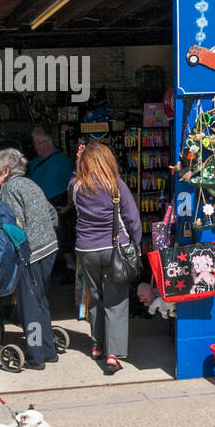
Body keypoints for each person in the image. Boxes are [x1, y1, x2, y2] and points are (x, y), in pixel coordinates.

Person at [69, 141, 142, 373]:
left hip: (86, 250)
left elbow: (73, 182)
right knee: (117, 301)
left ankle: (97, 345)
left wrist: (78, 163)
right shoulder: (115, 185)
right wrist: (136, 244)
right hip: (114, 248)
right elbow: (132, 218)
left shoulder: (76, 186)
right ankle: (112, 354)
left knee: (96, 296)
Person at [0, 148, 59, 370]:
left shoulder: (9, 189)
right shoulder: (31, 184)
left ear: (6, 171)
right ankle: (49, 350)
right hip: (49, 248)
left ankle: (36, 356)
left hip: (32, 253)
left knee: (29, 306)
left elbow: (14, 226)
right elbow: (52, 214)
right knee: (40, 300)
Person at [28, 127, 74, 276]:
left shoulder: (62, 161)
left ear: (48, 143)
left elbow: (72, 185)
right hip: (39, 205)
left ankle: (71, 267)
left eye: (38, 143)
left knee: (63, 237)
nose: (35, 147)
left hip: (58, 204)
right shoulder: (34, 161)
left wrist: (69, 205)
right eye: (34, 144)